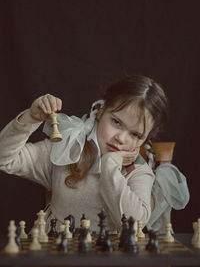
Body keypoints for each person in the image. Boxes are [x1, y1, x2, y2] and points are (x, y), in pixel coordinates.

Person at [0, 74, 169, 233]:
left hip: (108, 262)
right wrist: (31, 118)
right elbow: (5, 159)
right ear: (101, 111)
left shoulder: (139, 172)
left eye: (135, 134)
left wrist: (110, 164)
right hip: (55, 257)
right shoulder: (67, 149)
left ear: (145, 139)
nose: (121, 138)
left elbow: (133, 227)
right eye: (116, 122)